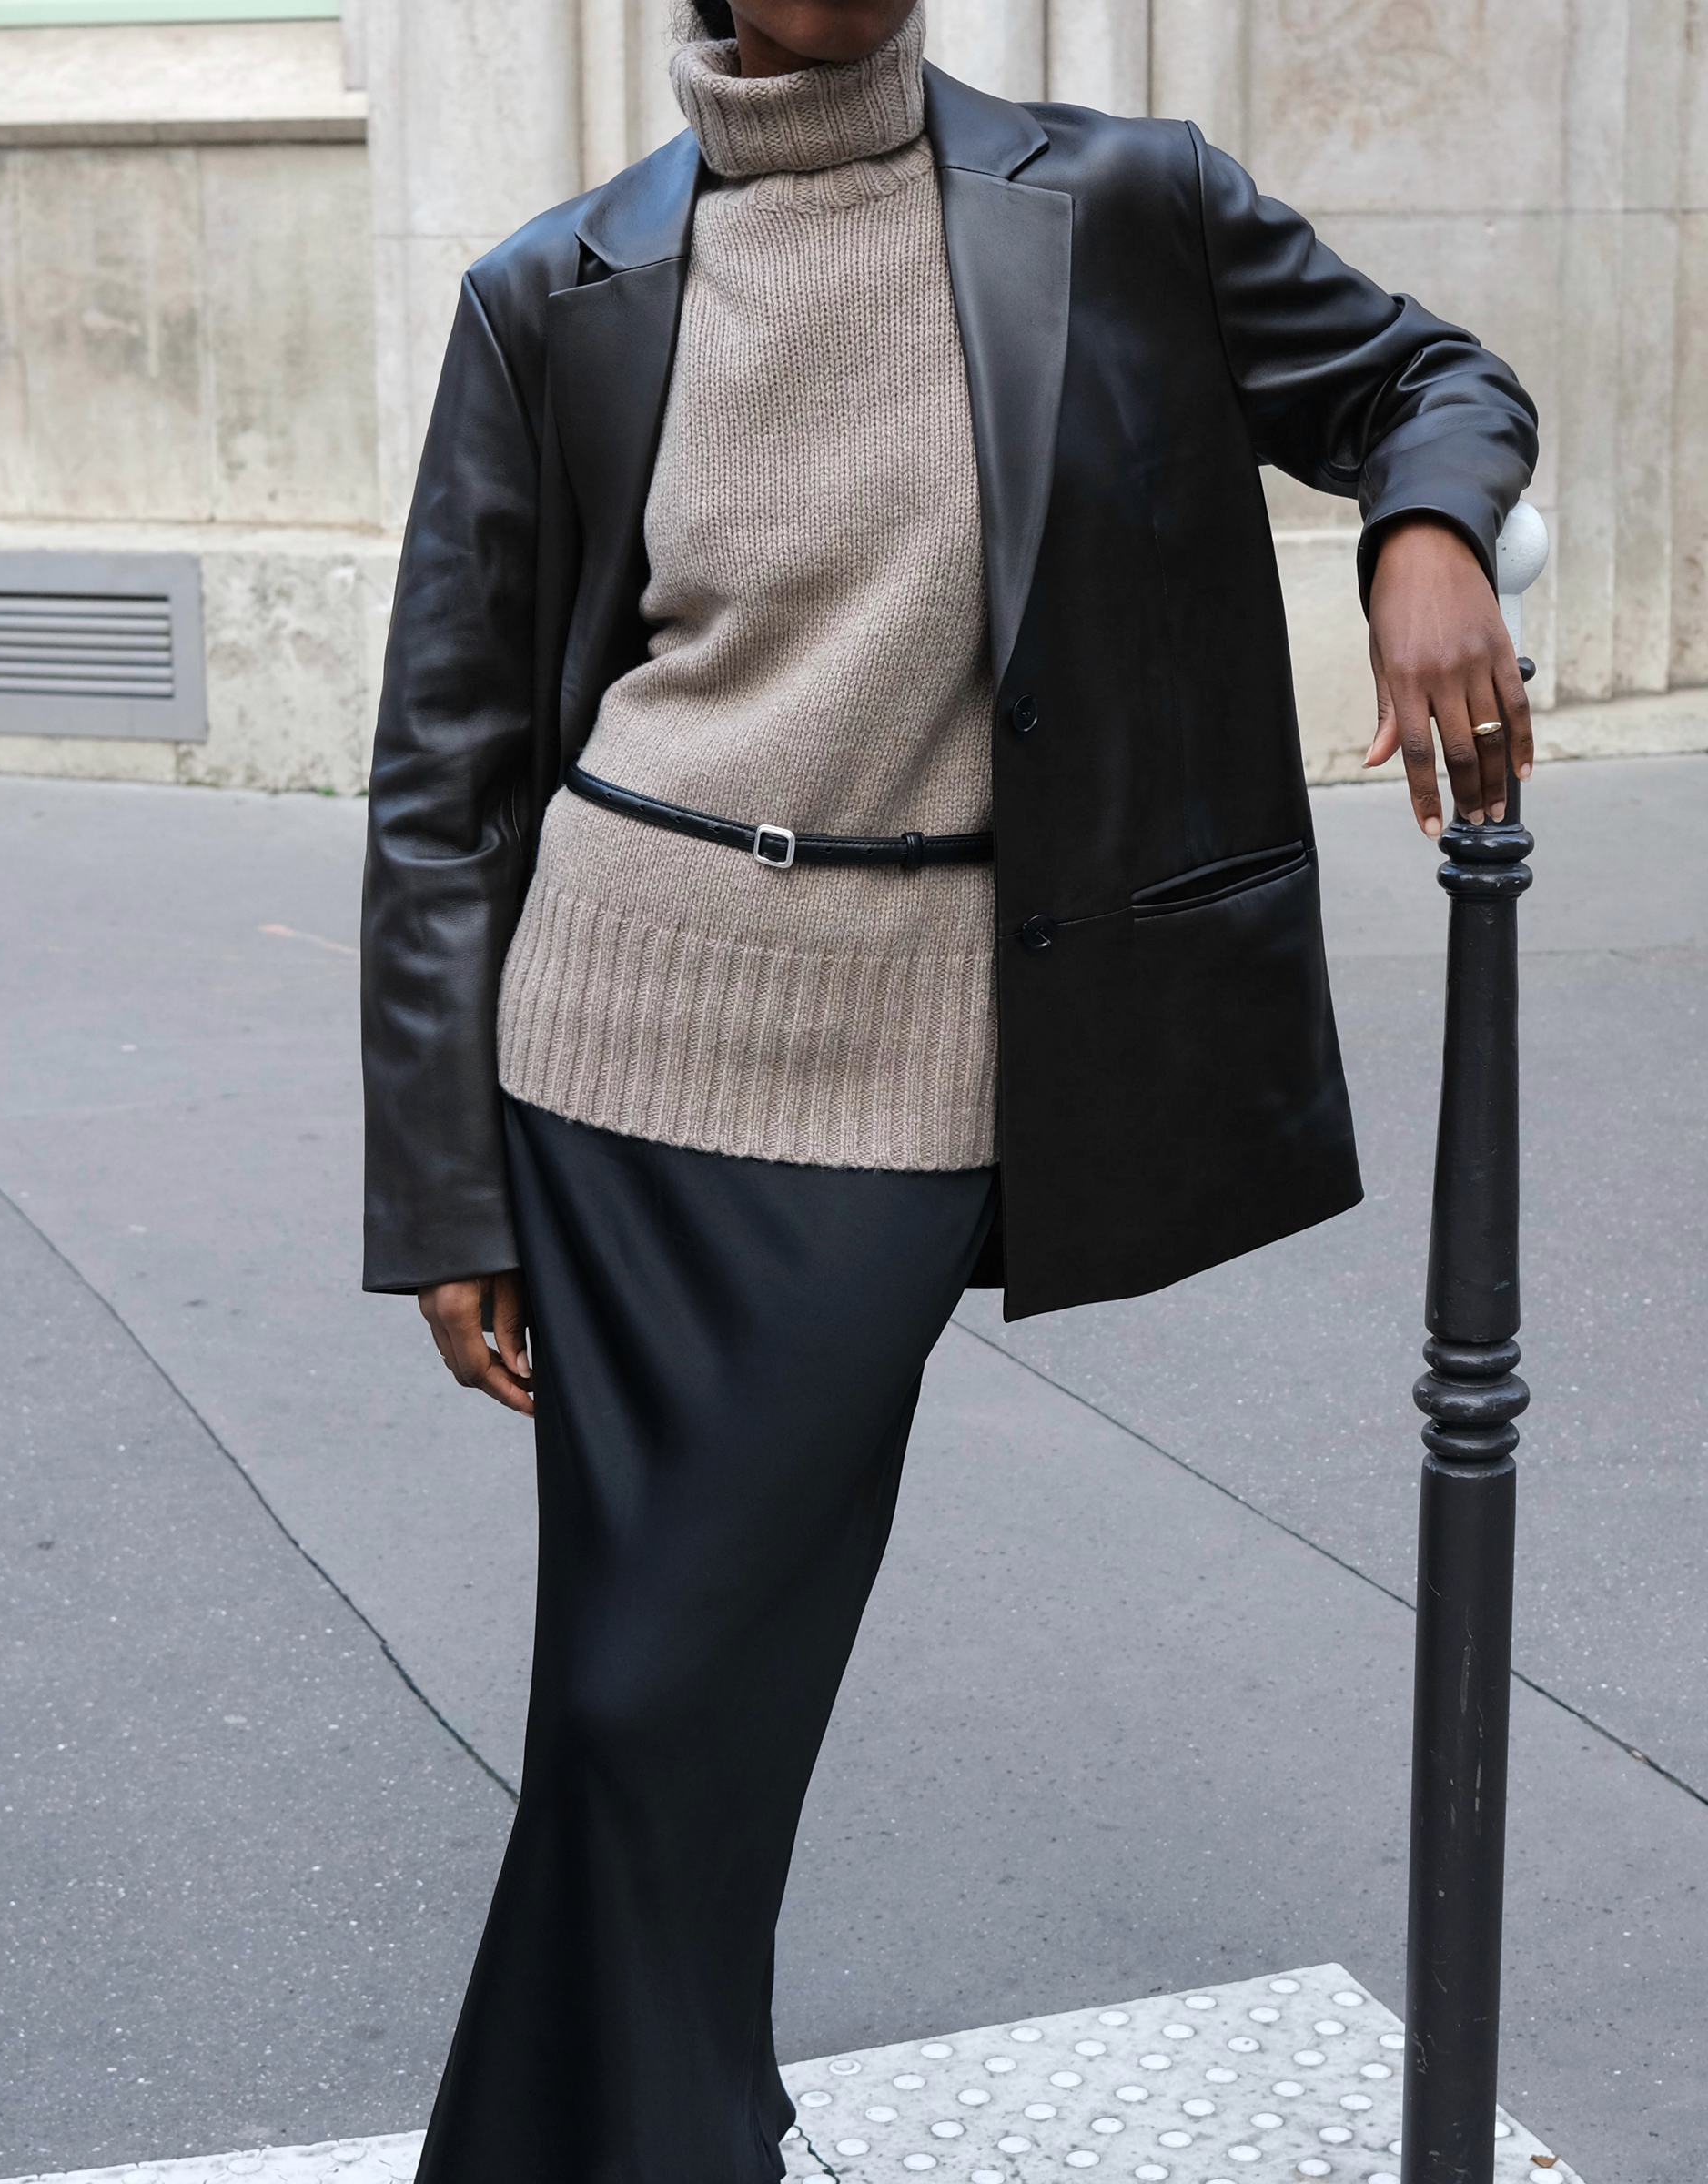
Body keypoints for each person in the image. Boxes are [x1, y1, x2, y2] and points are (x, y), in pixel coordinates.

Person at [359, 0, 1538, 2175]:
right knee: (632, 1703)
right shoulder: (558, 290)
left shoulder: (1114, 205)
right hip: (608, 1047)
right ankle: (679, 2127)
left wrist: (1423, 536)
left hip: (905, 1067)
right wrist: (443, 1187)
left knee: (665, 1692)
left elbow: (1426, 378)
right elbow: (440, 780)